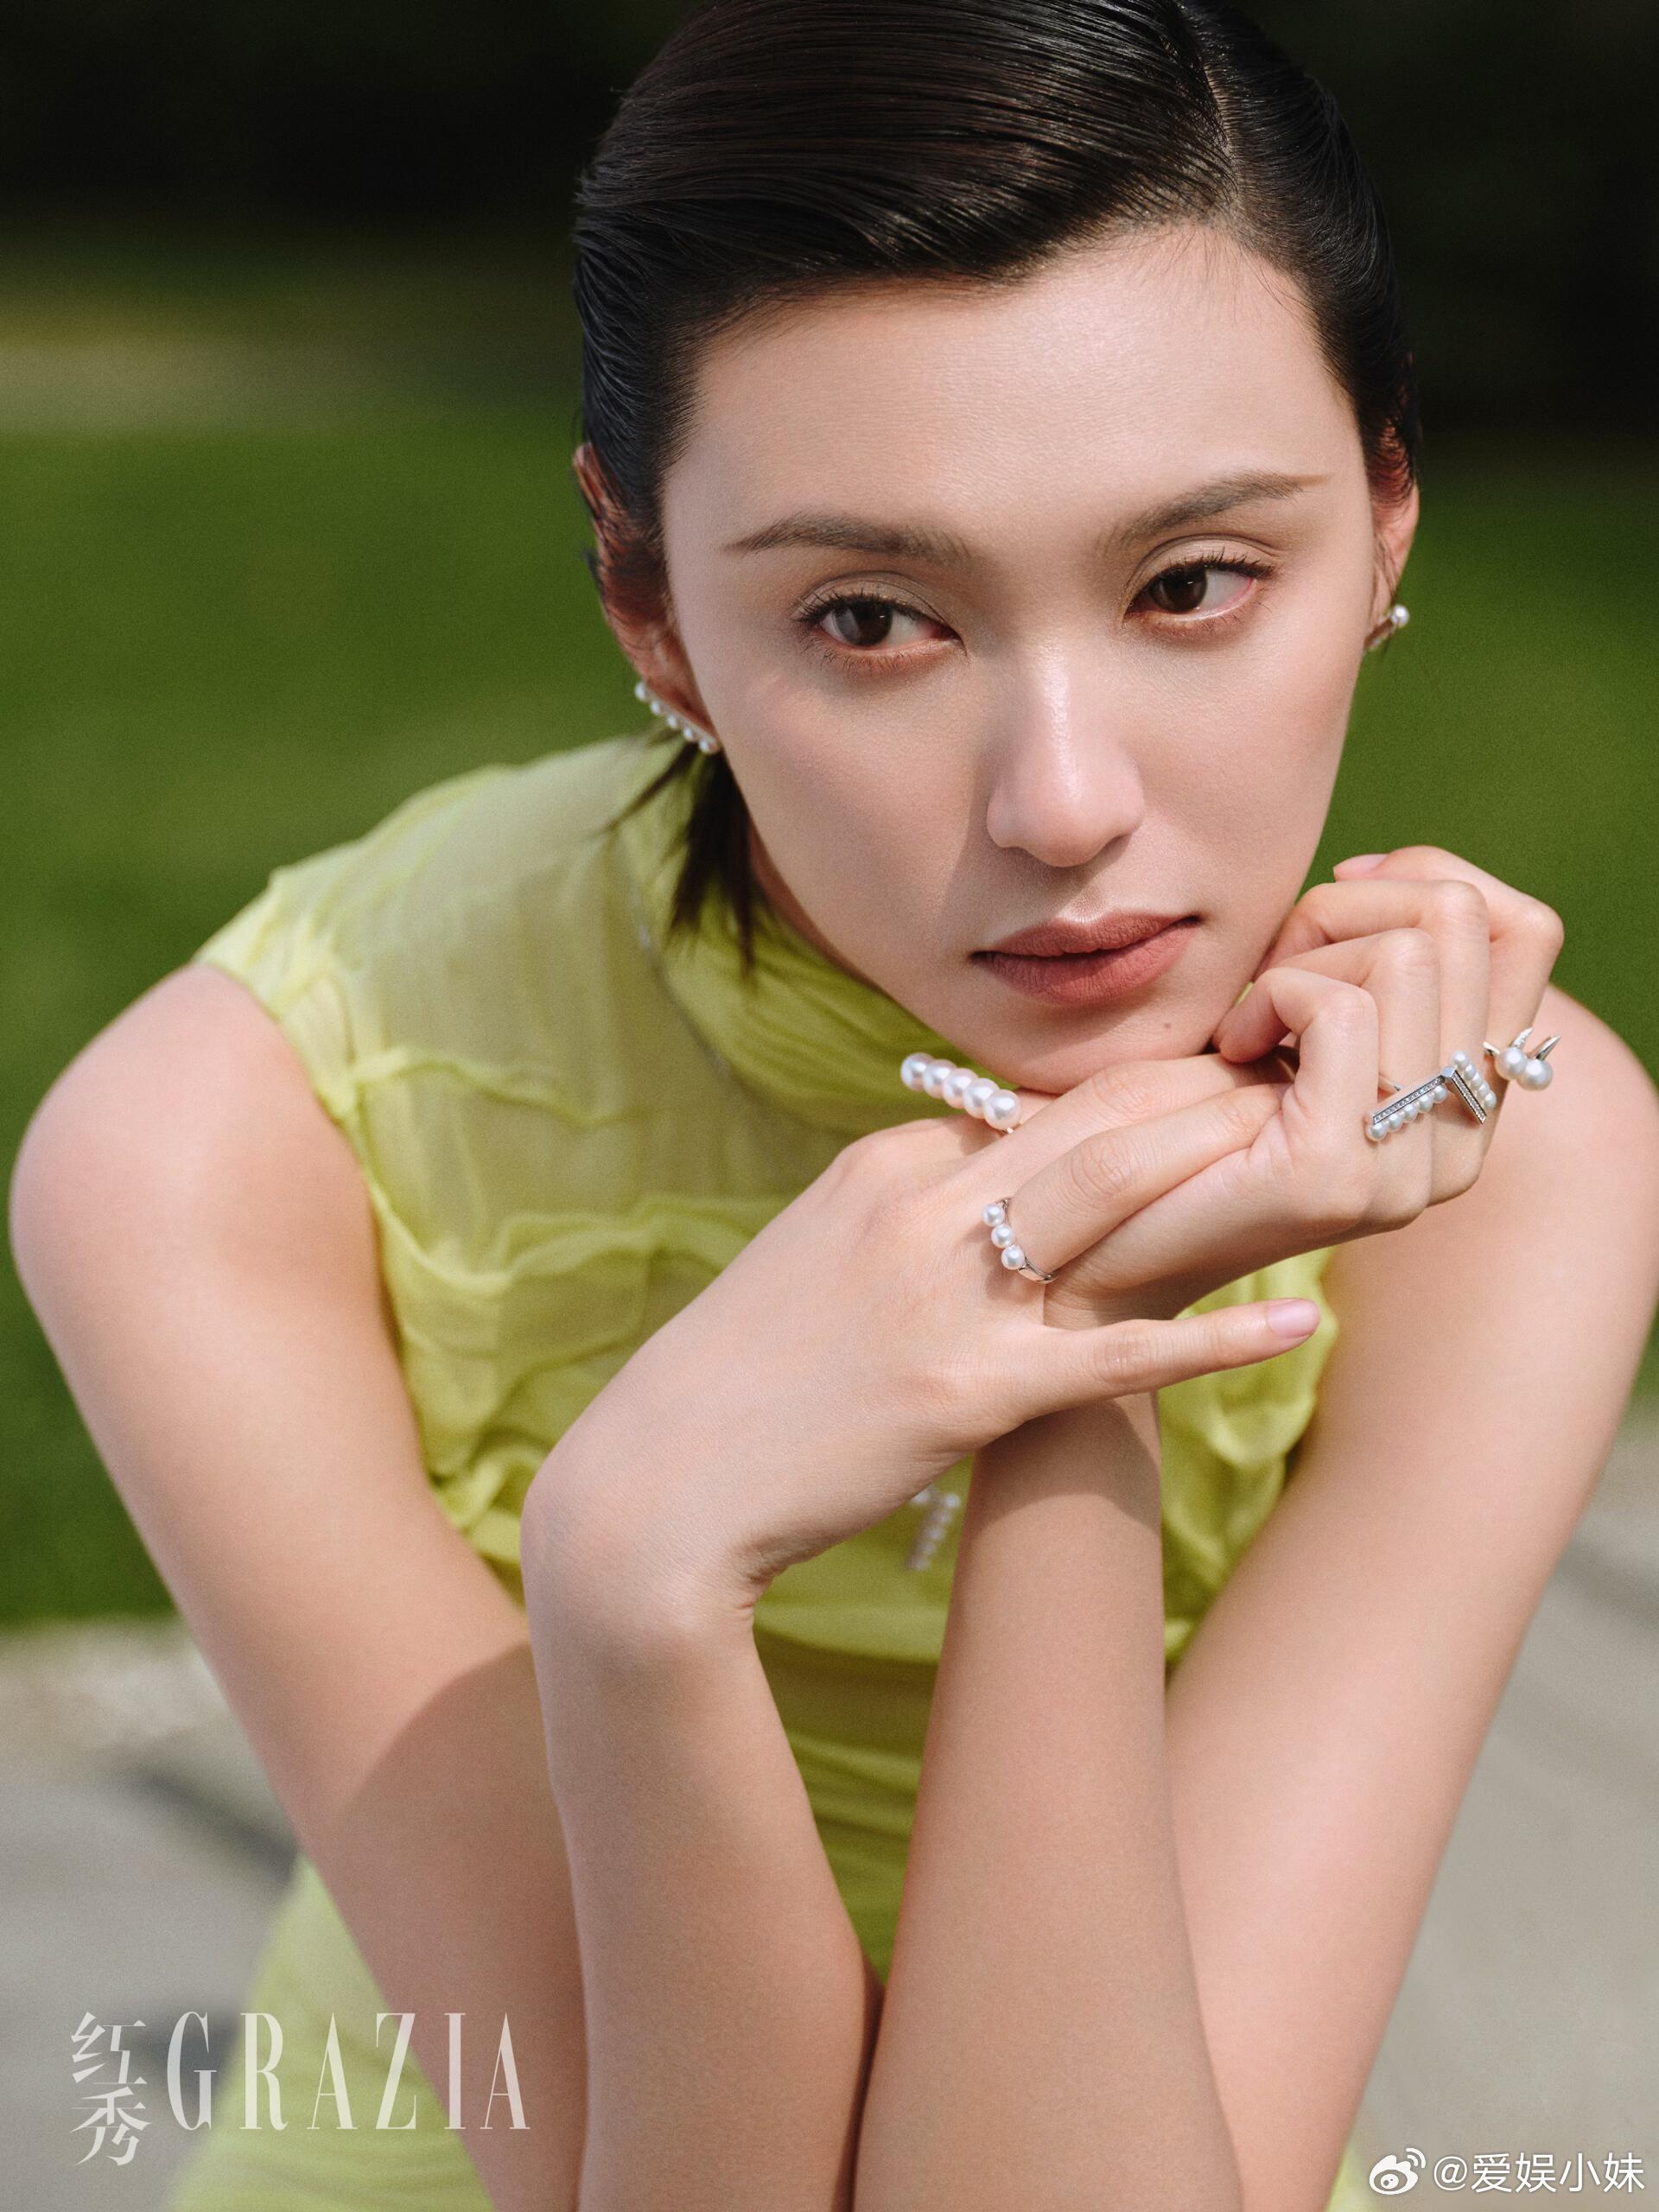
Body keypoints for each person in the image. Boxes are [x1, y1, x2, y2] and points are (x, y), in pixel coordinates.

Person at [10, 1, 1659, 2207]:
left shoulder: (1497, 1143)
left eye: (1191, 583)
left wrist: (1079, 1346)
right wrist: (634, 1578)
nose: (1064, 803)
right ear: (649, 605)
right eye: (874, 618)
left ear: (1382, 519)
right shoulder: (228, 1145)